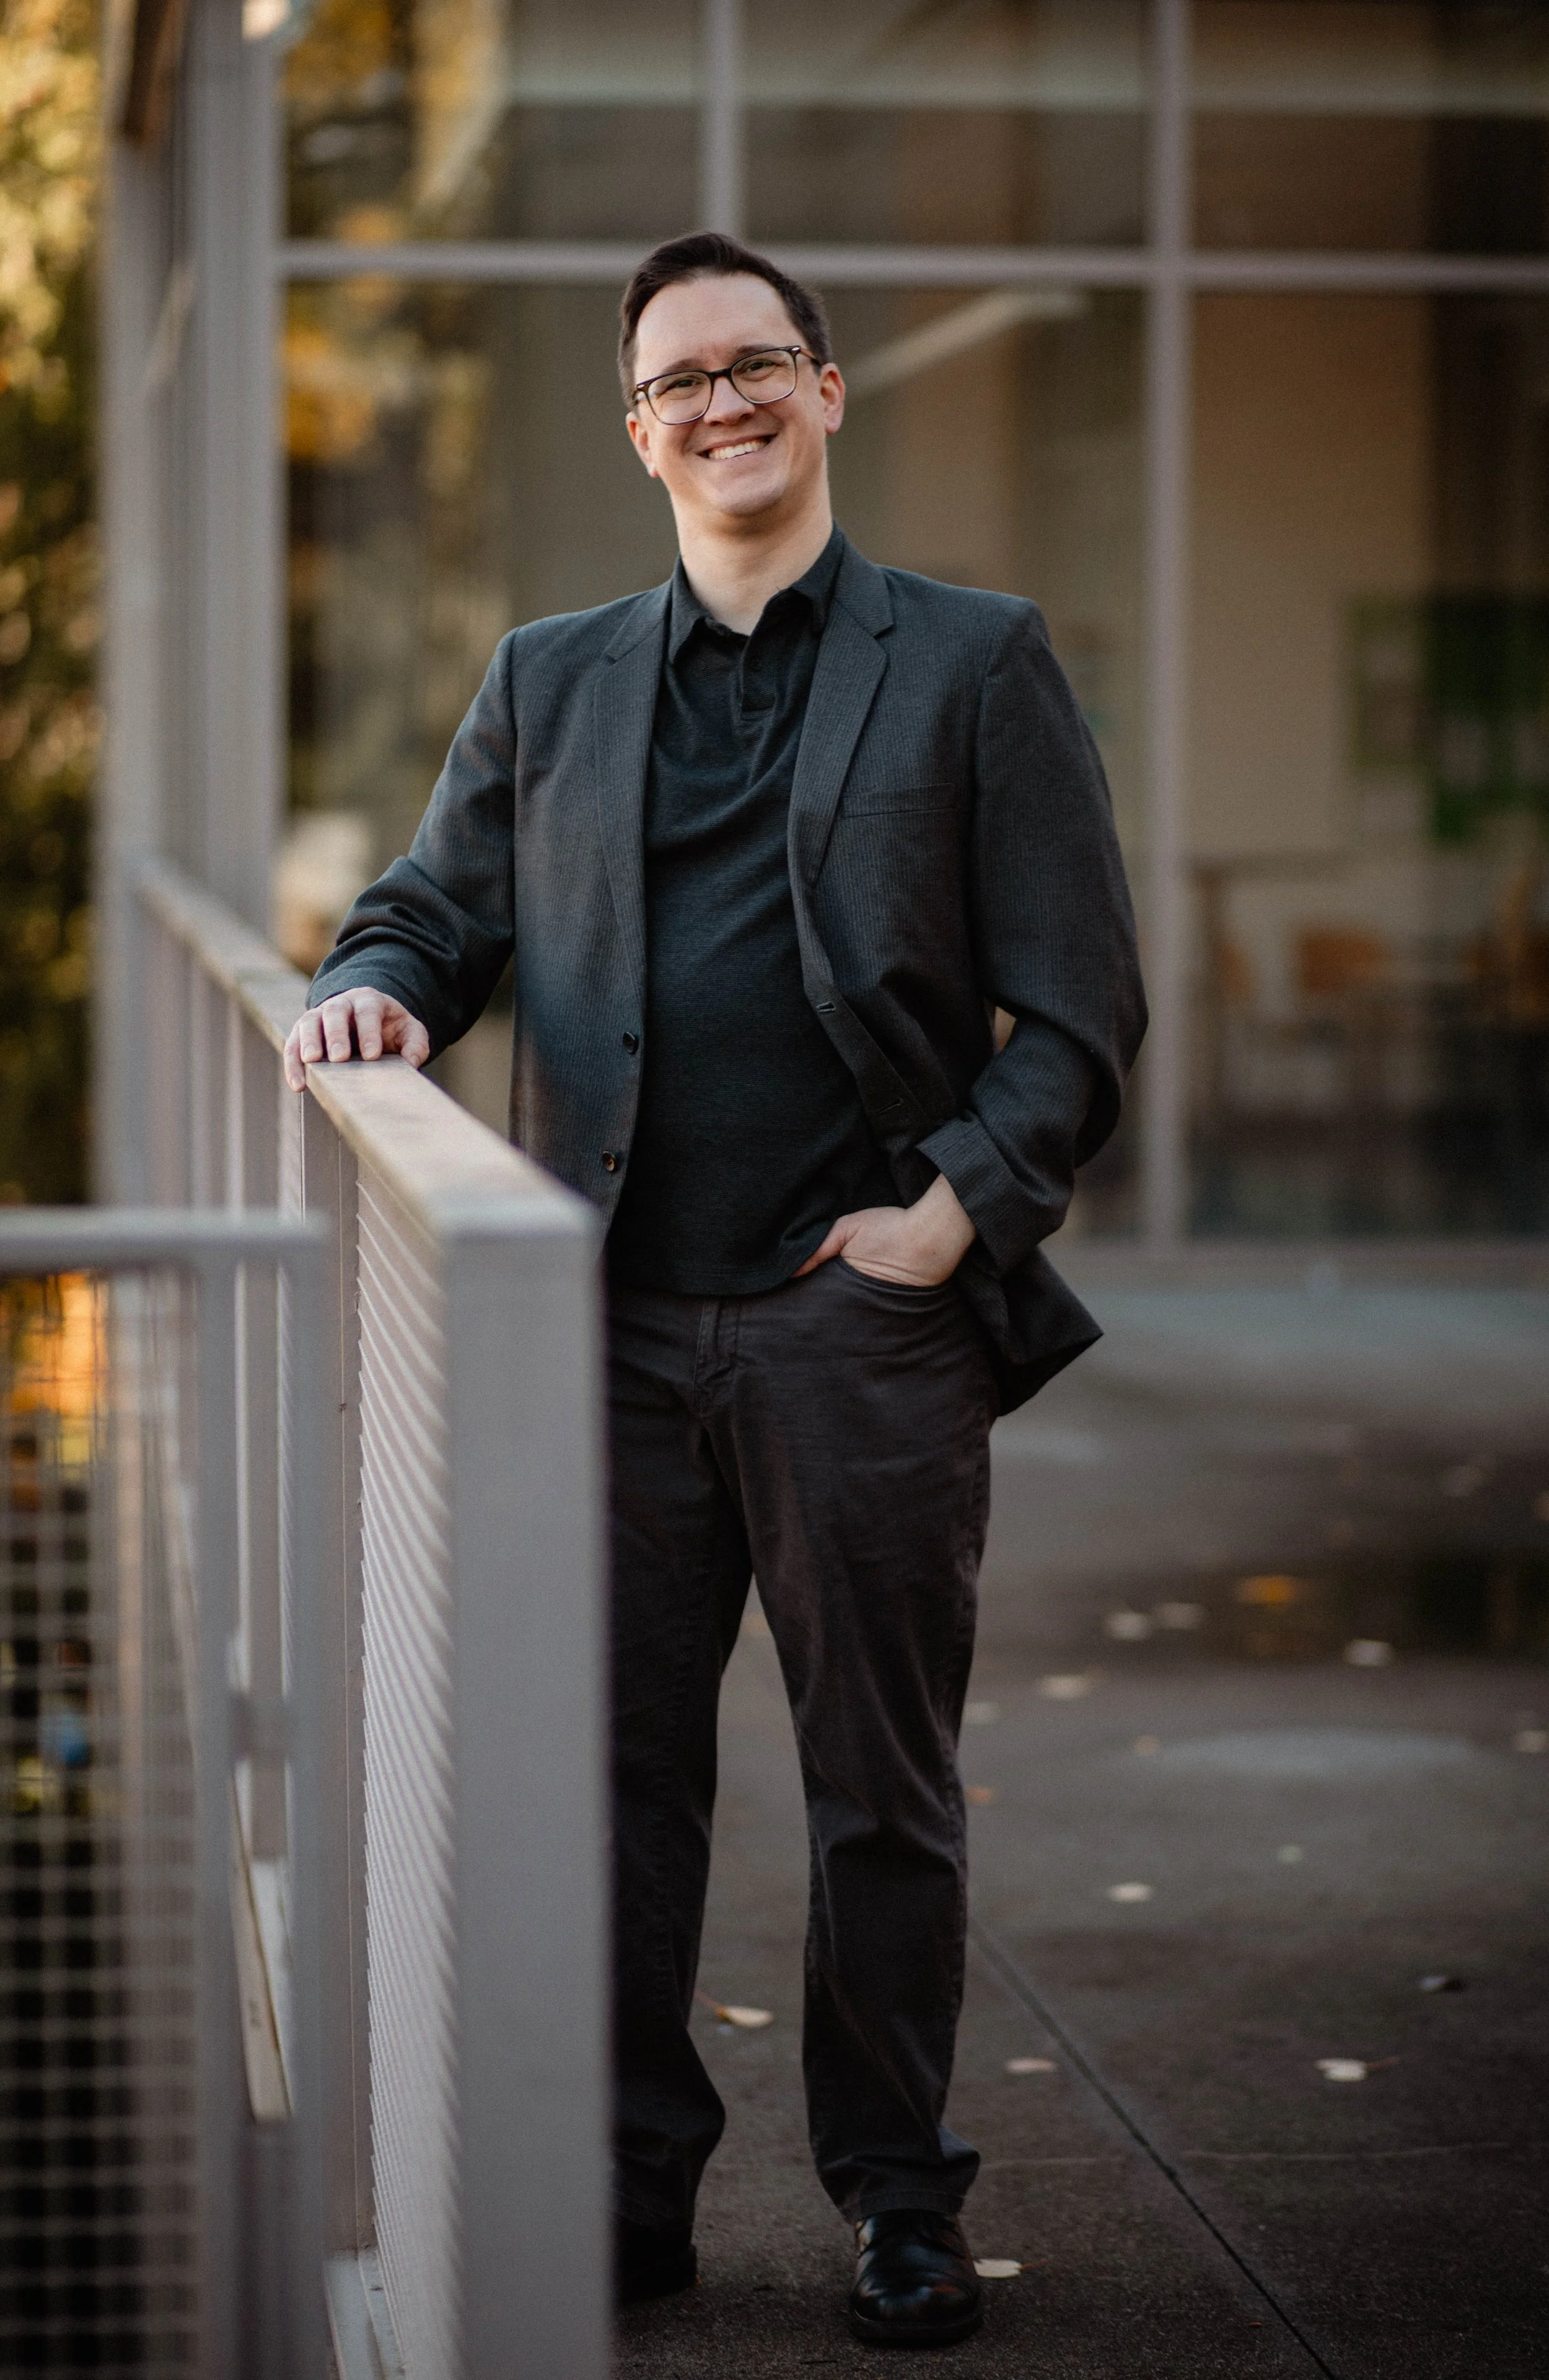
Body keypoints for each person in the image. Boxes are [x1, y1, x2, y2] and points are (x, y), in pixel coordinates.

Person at [285, 230, 1145, 2350]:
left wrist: (950, 1212)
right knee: (615, 1790)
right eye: (680, 380)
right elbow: (428, 913)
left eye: (756, 364)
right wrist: (374, 992)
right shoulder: (550, 680)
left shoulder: (972, 661)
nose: (722, 403)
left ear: (825, 393)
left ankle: (898, 2197)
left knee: (880, 1791)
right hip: (601, 1336)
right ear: (637, 432)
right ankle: (629, 2192)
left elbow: (1078, 1006)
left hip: (862, 1323)